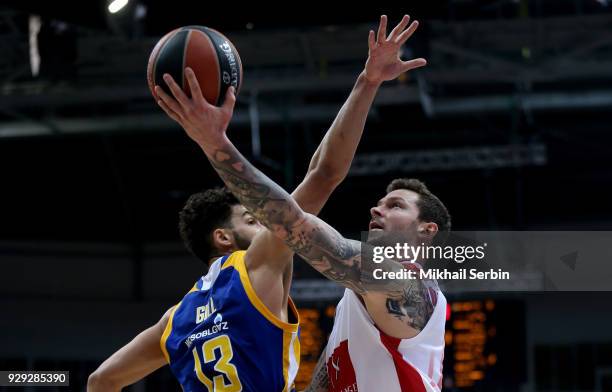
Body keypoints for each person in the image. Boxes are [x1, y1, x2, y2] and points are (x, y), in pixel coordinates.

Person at [87, 14, 425, 391]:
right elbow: (325, 174)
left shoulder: (173, 321)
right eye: (252, 218)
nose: (265, 223)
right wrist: (368, 82)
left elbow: (101, 381)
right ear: (223, 237)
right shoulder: (256, 263)